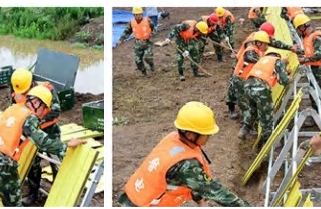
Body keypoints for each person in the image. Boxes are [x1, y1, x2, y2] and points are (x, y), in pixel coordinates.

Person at [0, 86, 85, 207]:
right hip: (3, 165)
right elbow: (43, 142)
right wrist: (66, 146)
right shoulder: (29, 117)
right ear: (36, 103)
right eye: (44, 108)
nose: (43, 113)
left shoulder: (13, 108)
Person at [117, 101, 251, 207]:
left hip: (136, 196)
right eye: (207, 134)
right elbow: (218, 192)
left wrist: (199, 200)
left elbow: (192, 181)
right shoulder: (186, 165)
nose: (209, 137)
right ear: (191, 135)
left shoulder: (173, 139)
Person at [8, 68, 62, 204]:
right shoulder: (17, 89)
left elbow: (55, 110)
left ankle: (60, 195)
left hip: (49, 130)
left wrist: (35, 119)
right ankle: (33, 193)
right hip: (30, 134)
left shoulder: (47, 89)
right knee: (32, 164)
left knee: (57, 163)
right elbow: (14, 109)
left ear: (32, 84)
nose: (24, 94)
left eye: (26, 91)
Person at [240, 52, 290, 142]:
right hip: (261, 89)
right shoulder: (278, 61)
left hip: (247, 85)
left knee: (252, 108)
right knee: (266, 116)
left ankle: (244, 129)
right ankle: (266, 142)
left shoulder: (262, 60)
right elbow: (284, 81)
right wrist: (289, 77)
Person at [225, 31, 271, 119]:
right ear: (258, 43)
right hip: (240, 79)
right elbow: (252, 59)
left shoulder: (259, 50)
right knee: (245, 103)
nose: (266, 47)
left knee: (247, 100)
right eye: (265, 45)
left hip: (246, 78)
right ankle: (246, 124)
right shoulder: (250, 51)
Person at [292, 14, 321, 108]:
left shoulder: (317, 37)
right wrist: (298, 51)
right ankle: (316, 115)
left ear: (302, 27)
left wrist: (304, 60)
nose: (298, 31)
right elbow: (310, 52)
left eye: (298, 29)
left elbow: (319, 55)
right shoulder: (308, 37)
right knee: (314, 94)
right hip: (314, 69)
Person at [117, 7, 157, 76]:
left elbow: (154, 28)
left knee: (148, 57)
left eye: (139, 14)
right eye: (136, 14)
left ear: (142, 14)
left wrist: (152, 34)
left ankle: (151, 65)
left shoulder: (148, 20)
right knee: (138, 60)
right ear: (134, 15)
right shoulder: (131, 22)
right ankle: (143, 71)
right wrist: (121, 39)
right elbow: (127, 31)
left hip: (147, 42)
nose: (138, 16)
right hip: (138, 43)